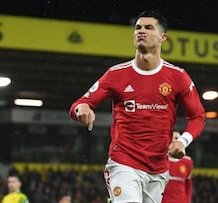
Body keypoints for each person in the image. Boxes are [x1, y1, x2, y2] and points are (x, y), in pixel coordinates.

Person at [69, 10, 205, 203]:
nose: (141, 31)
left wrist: (182, 141)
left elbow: (198, 117)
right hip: (123, 163)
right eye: (138, 28)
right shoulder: (116, 74)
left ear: (162, 37)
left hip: (158, 168)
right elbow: (80, 103)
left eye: (148, 28)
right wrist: (81, 108)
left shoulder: (178, 77)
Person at [161, 131, 193, 203]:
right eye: (171, 138)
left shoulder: (187, 161)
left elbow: (188, 184)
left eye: (176, 138)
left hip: (180, 200)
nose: (173, 140)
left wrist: (188, 201)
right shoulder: (160, 159)